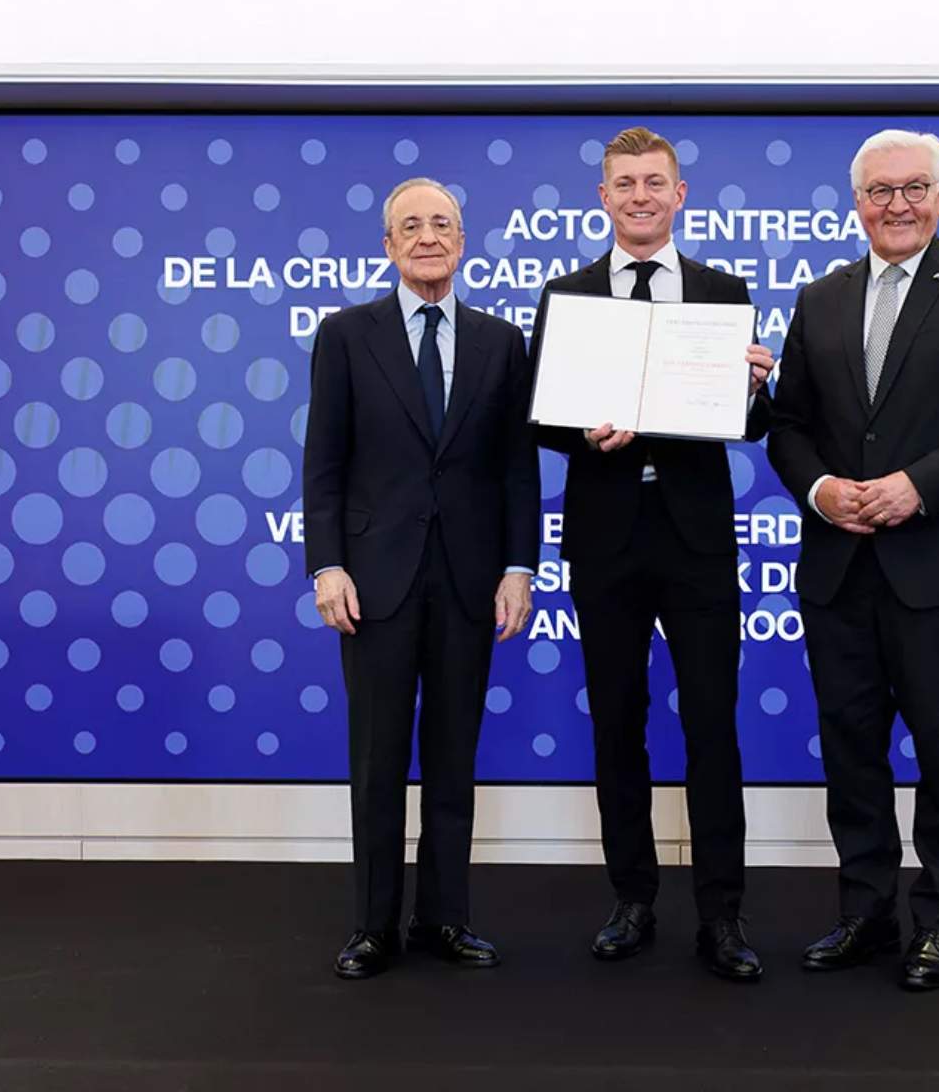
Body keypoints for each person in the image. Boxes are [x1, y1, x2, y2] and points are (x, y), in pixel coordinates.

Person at [766, 128, 939, 992]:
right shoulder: (821, 297)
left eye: (914, 188)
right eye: (880, 191)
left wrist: (916, 487)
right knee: (852, 754)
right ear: (857, 203)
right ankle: (865, 915)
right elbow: (790, 425)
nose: (897, 204)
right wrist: (819, 492)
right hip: (841, 571)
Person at [531, 126, 775, 981]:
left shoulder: (720, 289)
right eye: (624, 182)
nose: (639, 194)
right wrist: (581, 432)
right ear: (603, 198)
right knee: (618, 726)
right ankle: (631, 899)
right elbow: (543, 415)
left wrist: (755, 387)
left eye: (655, 182)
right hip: (604, 540)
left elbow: (745, 425)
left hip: (696, 541)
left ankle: (723, 916)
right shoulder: (566, 294)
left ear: (681, 196)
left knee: (713, 727)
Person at [303, 176, 540, 979]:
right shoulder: (344, 335)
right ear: (388, 246)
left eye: (443, 224)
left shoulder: (500, 342)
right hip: (373, 582)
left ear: (463, 241)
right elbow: (324, 464)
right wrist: (326, 564)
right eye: (412, 226)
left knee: (452, 756)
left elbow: (517, 468)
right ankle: (374, 926)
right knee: (375, 759)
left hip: (472, 580)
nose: (429, 236)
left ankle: (446, 919)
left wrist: (518, 566)